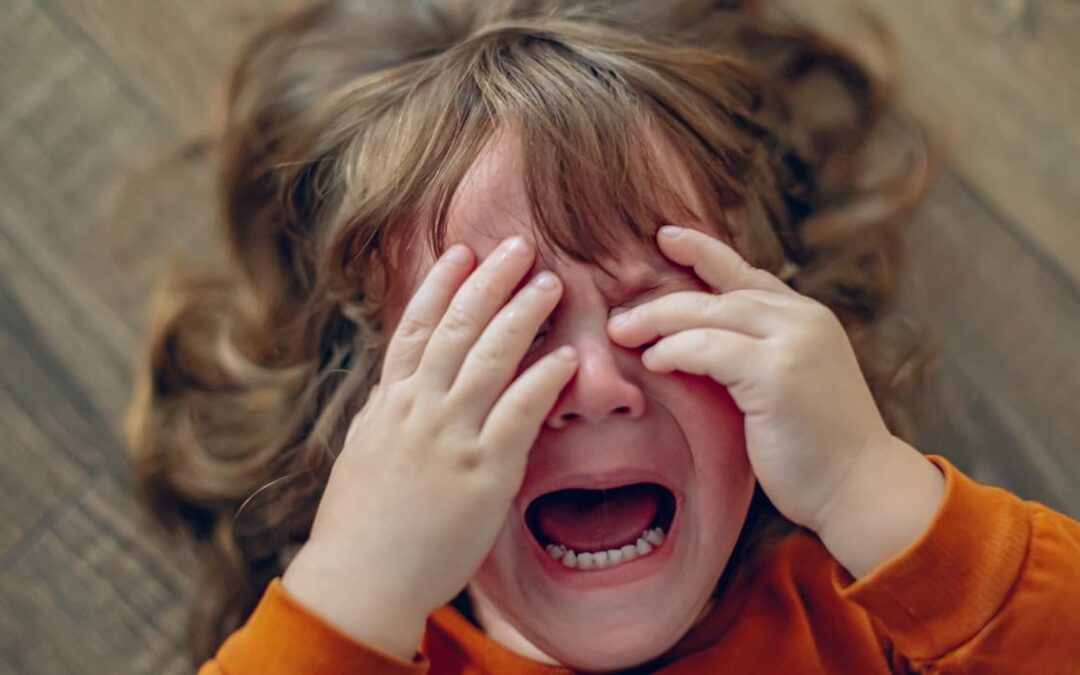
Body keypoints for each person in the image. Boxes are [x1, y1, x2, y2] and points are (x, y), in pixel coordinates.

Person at [125, 0, 1080, 672]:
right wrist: (351, 586)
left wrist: (868, 483)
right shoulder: (367, 647)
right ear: (370, 415)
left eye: (648, 311)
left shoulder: (876, 609)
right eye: (502, 337)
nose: (594, 384)